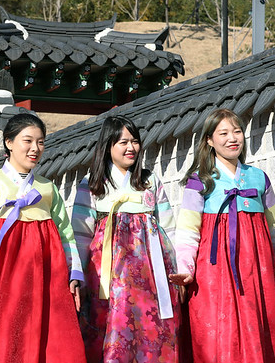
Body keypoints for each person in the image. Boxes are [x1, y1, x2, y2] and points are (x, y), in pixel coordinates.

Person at [0, 113, 86, 363]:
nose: (35, 148)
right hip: (2, 277)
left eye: (41, 142)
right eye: (28, 141)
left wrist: (74, 275)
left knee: (49, 335)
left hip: (45, 278)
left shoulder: (47, 188)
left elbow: (66, 236)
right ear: (9, 143)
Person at [170, 108, 275, 362]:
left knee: (259, 326)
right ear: (209, 140)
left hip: (256, 269)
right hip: (214, 270)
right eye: (224, 133)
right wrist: (185, 270)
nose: (233, 138)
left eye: (237, 131)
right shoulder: (200, 181)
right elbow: (188, 232)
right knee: (218, 332)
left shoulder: (259, 178)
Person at [72, 116, 181, 363]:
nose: (130, 147)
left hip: (151, 272)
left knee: (152, 326)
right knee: (111, 324)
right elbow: (80, 233)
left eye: (134, 141)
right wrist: (77, 274)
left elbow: (168, 226)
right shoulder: (92, 184)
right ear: (108, 146)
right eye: (123, 142)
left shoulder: (150, 180)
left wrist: (177, 270)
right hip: (106, 275)